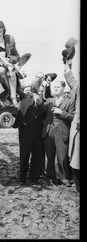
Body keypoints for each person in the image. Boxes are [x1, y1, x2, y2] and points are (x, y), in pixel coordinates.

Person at [13, 78, 46, 185]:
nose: (27, 90)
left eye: (29, 89)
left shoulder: (40, 99)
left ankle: (34, 177)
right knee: (24, 155)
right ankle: (22, 177)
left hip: (37, 132)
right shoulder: (24, 97)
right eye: (25, 89)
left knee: (36, 156)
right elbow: (17, 89)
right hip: (25, 132)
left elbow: (44, 112)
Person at [42, 80, 75, 186]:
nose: (55, 88)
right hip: (49, 131)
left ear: (64, 88)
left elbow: (73, 117)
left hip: (62, 131)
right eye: (54, 87)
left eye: (58, 87)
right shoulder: (49, 100)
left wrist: (62, 113)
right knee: (50, 156)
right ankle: (51, 176)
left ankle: (64, 178)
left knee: (62, 156)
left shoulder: (69, 102)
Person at [64, 59, 80, 192]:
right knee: (75, 161)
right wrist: (67, 62)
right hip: (78, 130)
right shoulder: (79, 87)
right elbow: (70, 77)